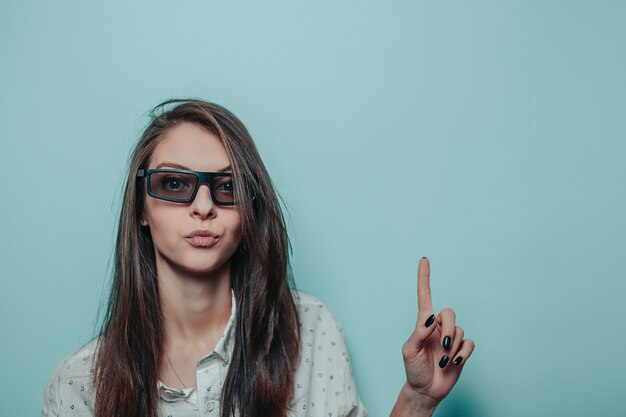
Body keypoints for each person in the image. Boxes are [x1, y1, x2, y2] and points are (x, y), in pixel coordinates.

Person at [41, 99, 475, 417]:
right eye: (175, 184)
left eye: (227, 187)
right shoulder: (79, 385)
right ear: (140, 207)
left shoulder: (312, 330)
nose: (204, 206)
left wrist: (418, 399)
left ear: (250, 209)